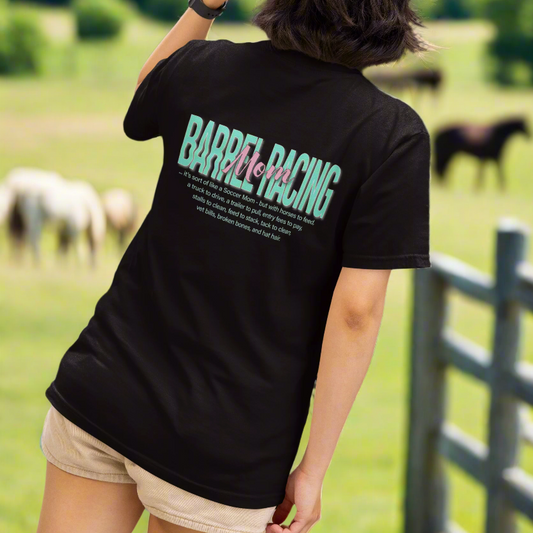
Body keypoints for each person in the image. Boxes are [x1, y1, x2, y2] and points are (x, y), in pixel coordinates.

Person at [36, 0, 432, 530]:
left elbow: (147, 92)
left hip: (107, 388)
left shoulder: (203, 67)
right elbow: (357, 311)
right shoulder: (391, 136)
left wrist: (205, 5)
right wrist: (313, 469)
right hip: (228, 444)